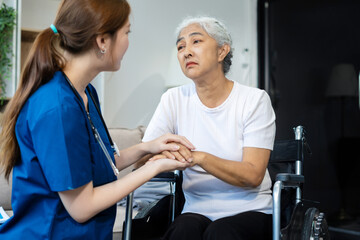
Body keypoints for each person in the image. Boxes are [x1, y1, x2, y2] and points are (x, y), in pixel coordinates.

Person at [0, 0, 193, 239]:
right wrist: (155, 167)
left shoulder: (85, 93)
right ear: (102, 41)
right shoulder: (58, 107)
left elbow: (99, 163)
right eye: (126, 33)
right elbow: (81, 207)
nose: (128, 43)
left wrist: (148, 147)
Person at [141, 16, 276, 240]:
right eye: (180, 46)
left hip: (250, 209)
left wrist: (199, 158)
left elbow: (252, 175)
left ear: (222, 52)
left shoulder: (254, 100)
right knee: (181, 231)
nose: (186, 52)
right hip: (197, 208)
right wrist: (160, 150)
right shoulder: (174, 99)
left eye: (196, 41)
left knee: (221, 233)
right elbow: (144, 156)